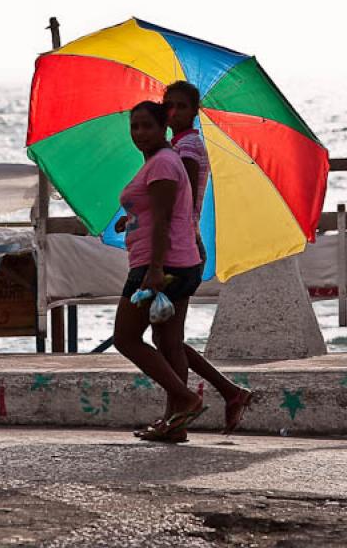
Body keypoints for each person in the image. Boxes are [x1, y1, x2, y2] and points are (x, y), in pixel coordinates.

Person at [152, 80, 252, 435]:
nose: (173, 111)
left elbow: (181, 202)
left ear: (195, 112)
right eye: (169, 105)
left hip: (180, 248)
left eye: (181, 106)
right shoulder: (175, 146)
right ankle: (229, 392)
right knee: (166, 340)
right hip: (182, 245)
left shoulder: (189, 147)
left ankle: (177, 419)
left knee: (167, 341)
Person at [113, 100, 207, 442]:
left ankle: (185, 399)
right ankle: (176, 425)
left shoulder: (164, 164)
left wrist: (153, 269)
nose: (139, 133)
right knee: (168, 343)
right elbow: (158, 211)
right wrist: (132, 218)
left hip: (160, 266)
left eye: (146, 126)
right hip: (178, 262)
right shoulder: (158, 162)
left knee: (125, 338)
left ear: (163, 127)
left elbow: (165, 220)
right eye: (134, 127)